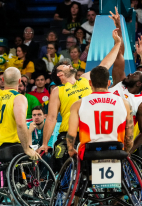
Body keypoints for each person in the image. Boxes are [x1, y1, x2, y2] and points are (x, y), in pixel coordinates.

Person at [37, 28, 122, 168]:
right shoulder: (58, 90)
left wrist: (117, 43)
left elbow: (105, 65)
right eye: (65, 65)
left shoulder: (84, 79)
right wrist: (45, 143)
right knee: (62, 167)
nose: (69, 64)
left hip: (91, 132)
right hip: (69, 135)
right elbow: (51, 118)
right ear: (59, 74)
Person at [110, 9, 142, 159]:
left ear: (138, 84)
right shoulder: (120, 82)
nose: (130, 73)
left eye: (135, 74)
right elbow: (119, 54)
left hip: (136, 146)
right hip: (112, 138)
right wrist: (119, 28)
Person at [66, 65, 134, 159]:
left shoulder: (78, 104)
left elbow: (72, 134)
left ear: (90, 83)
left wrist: (70, 149)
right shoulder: (125, 103)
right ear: (109, 82)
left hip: (90, 153)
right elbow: (129, 136)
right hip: (116, 151)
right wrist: (125, 152)